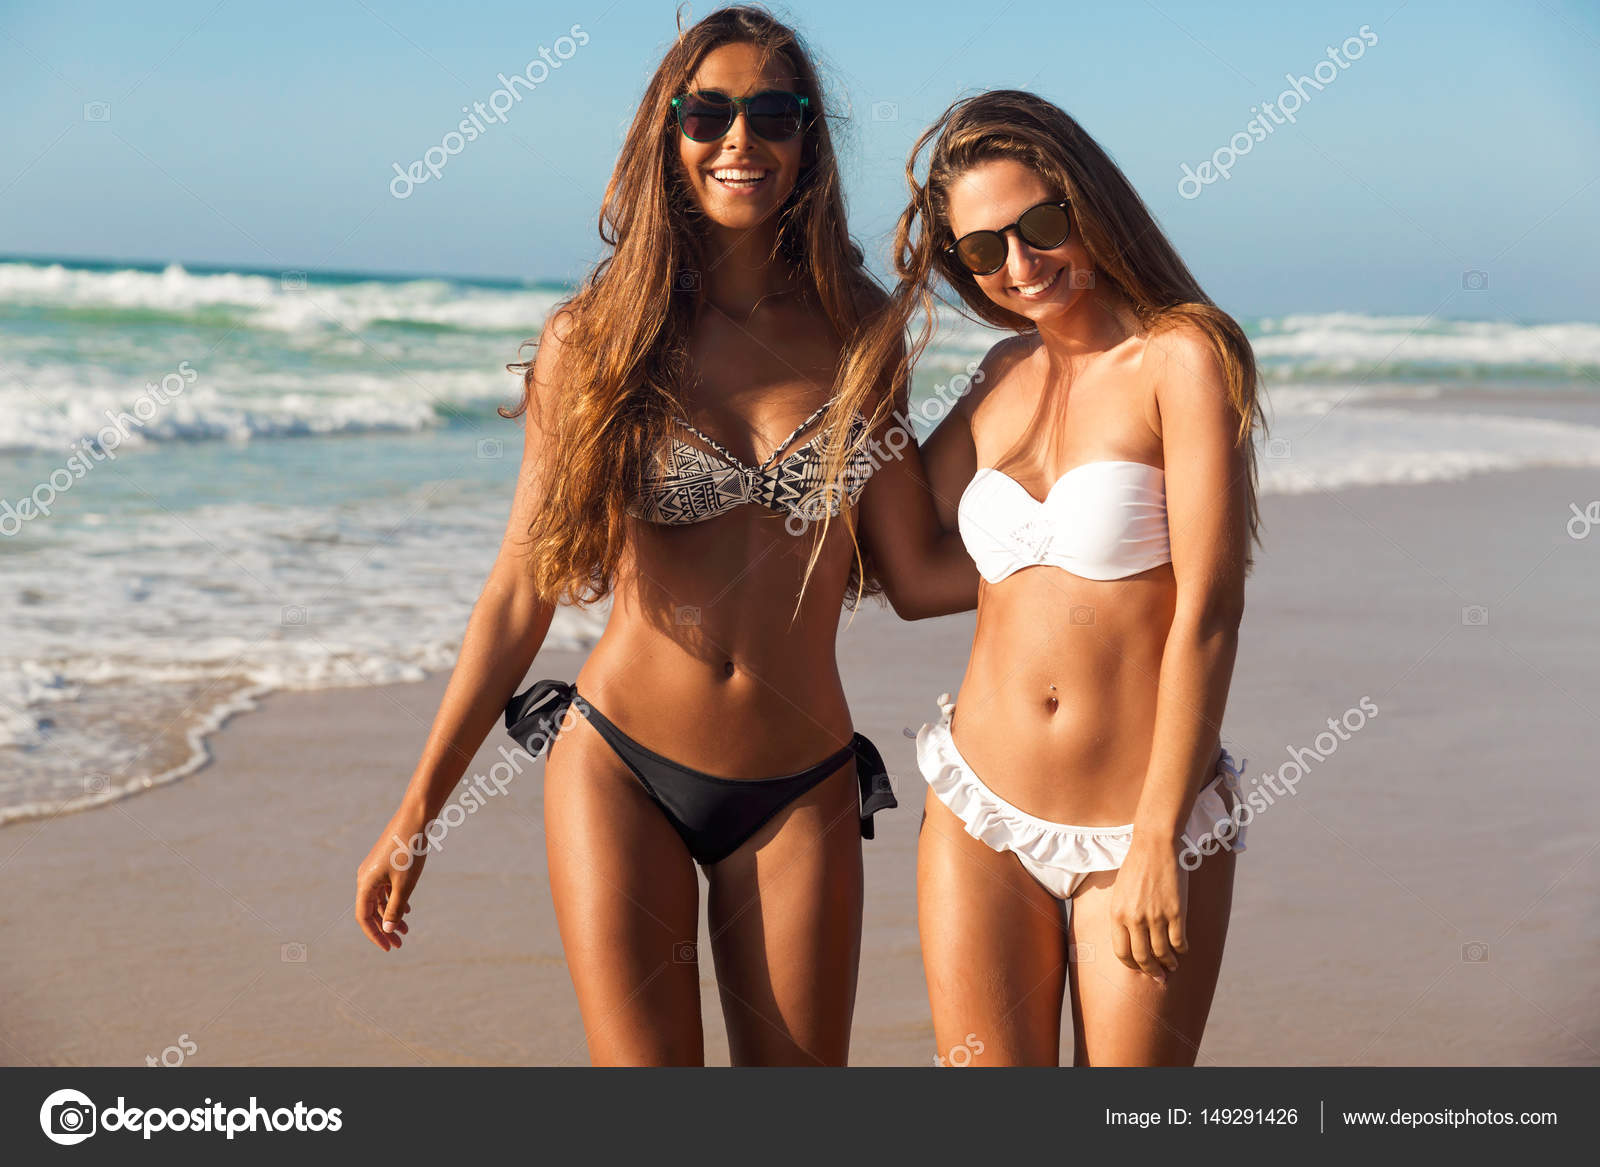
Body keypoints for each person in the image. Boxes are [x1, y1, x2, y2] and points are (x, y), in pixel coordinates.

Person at [353, 6, 975, 1067]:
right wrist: (416, 812)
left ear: (808, 142)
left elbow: (917, 574)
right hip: (620, 765)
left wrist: (1089, 538)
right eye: (710, 112)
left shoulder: (859, 330)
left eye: (775, 114)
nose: (742, 139)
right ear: (668, 134)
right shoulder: (592, 338)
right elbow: (521, 591)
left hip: (799, 779)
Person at [863, 89, 1264, 1065]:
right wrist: (848, 367)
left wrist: (1161, 839)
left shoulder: (1182, 354)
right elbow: (914, 576)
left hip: (1140, 821)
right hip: (978, 807)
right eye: (983, 249)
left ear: (1088, 203)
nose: (1020, 263)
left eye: (1040, 224)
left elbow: (1207, 613)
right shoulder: (1001, 374)